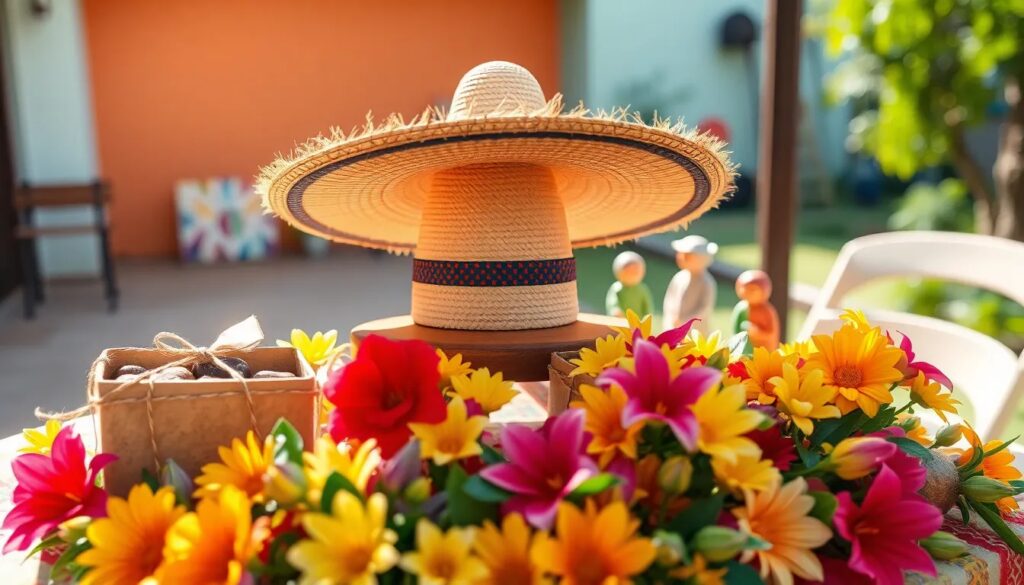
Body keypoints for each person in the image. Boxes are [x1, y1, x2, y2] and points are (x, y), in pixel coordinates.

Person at [663, 235, 718, 334]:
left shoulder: (706, 282)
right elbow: (670, 299)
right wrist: (671, 317)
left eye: (686, 256)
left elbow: (704, 308)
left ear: (701, 258)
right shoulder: (679, 277)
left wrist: (686, 320)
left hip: (697, 331)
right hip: (675, 327)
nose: (680, 258)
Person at [731, 269, 780, 351]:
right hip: (743, 348)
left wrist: (757, 332)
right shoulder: (741, 308)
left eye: (753, 290)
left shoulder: (767, 311)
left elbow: (772, 334)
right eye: (745, 289)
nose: (749, 292)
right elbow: (735, 330)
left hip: (763, 350)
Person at [605, 251, 654, 318]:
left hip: (638, 323)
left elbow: (647, 306)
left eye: (635, 272)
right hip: (620, 322)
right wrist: (616, 311)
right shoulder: (617, 288)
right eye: (629, 273)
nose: (632, 275)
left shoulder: (642, 289)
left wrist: (647, 316)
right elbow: (613, 303)